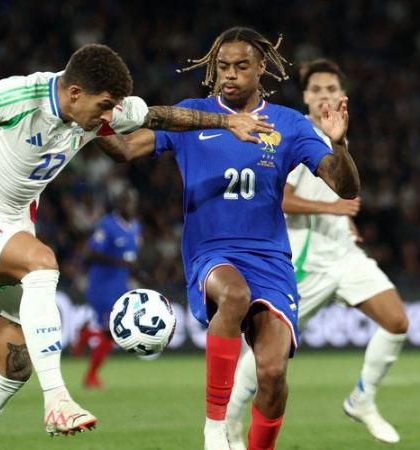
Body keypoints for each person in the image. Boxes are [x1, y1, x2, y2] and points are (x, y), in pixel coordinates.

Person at [0, 43, 273, 450]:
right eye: (105, 106)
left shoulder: (100, 111)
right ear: (75, 93)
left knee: (12, 364)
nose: (110, 116)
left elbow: (161, 115)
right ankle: (57, 398)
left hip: (6, 229)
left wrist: (225, 121)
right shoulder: (20, 94)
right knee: (42, 262)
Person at [95, 27, 360, 450]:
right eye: (222, 67)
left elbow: (344, 188)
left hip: (272, 260)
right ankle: (215, 428)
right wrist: (96, 124)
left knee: (272, 375)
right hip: (211, 252)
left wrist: (340, 143)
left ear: (260, 70)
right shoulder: (192, 115)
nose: (229, 75)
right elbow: (125, 150)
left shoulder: (288, 124)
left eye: (241, 66)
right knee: (233, 295)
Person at [226, 58, 409, 447]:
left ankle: (361, 400)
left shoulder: (336, 135)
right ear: (305, 97)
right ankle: (228, 419)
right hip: (306, 260)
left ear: (340, 96)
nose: (323, 95)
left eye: (330, 89)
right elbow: (282, 198)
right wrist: (334, 209)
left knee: (396, 321)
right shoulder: (291, 135)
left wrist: (346, 221)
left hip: (344, 253)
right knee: (268, 356)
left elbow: (333, 190)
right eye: (316, 90)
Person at [74, 187, 143, 388]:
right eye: (125, 201)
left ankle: (86, 333)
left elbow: (131, 258)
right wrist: (121, 263)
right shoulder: (107, 225)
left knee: (112, 331)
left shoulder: (136, 226)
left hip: (121, 286)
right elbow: (90, 254)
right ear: (119, 204)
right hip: (102, 285)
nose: (129, 205)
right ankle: (91, 376)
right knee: (111, 332)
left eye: (131, 201)